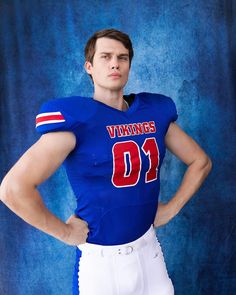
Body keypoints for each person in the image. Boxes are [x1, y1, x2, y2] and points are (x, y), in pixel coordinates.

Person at [0, 28, 212, 295]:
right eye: (106, 56)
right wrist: (64, 233)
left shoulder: (153, 113)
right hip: (102, 264)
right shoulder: (76, 120)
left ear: (129, 65)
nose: (115, 63)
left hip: (150, 254)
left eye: (122, 58)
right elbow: (13, 189)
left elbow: (200, 162)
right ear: (89, 66)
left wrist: (171, 208)